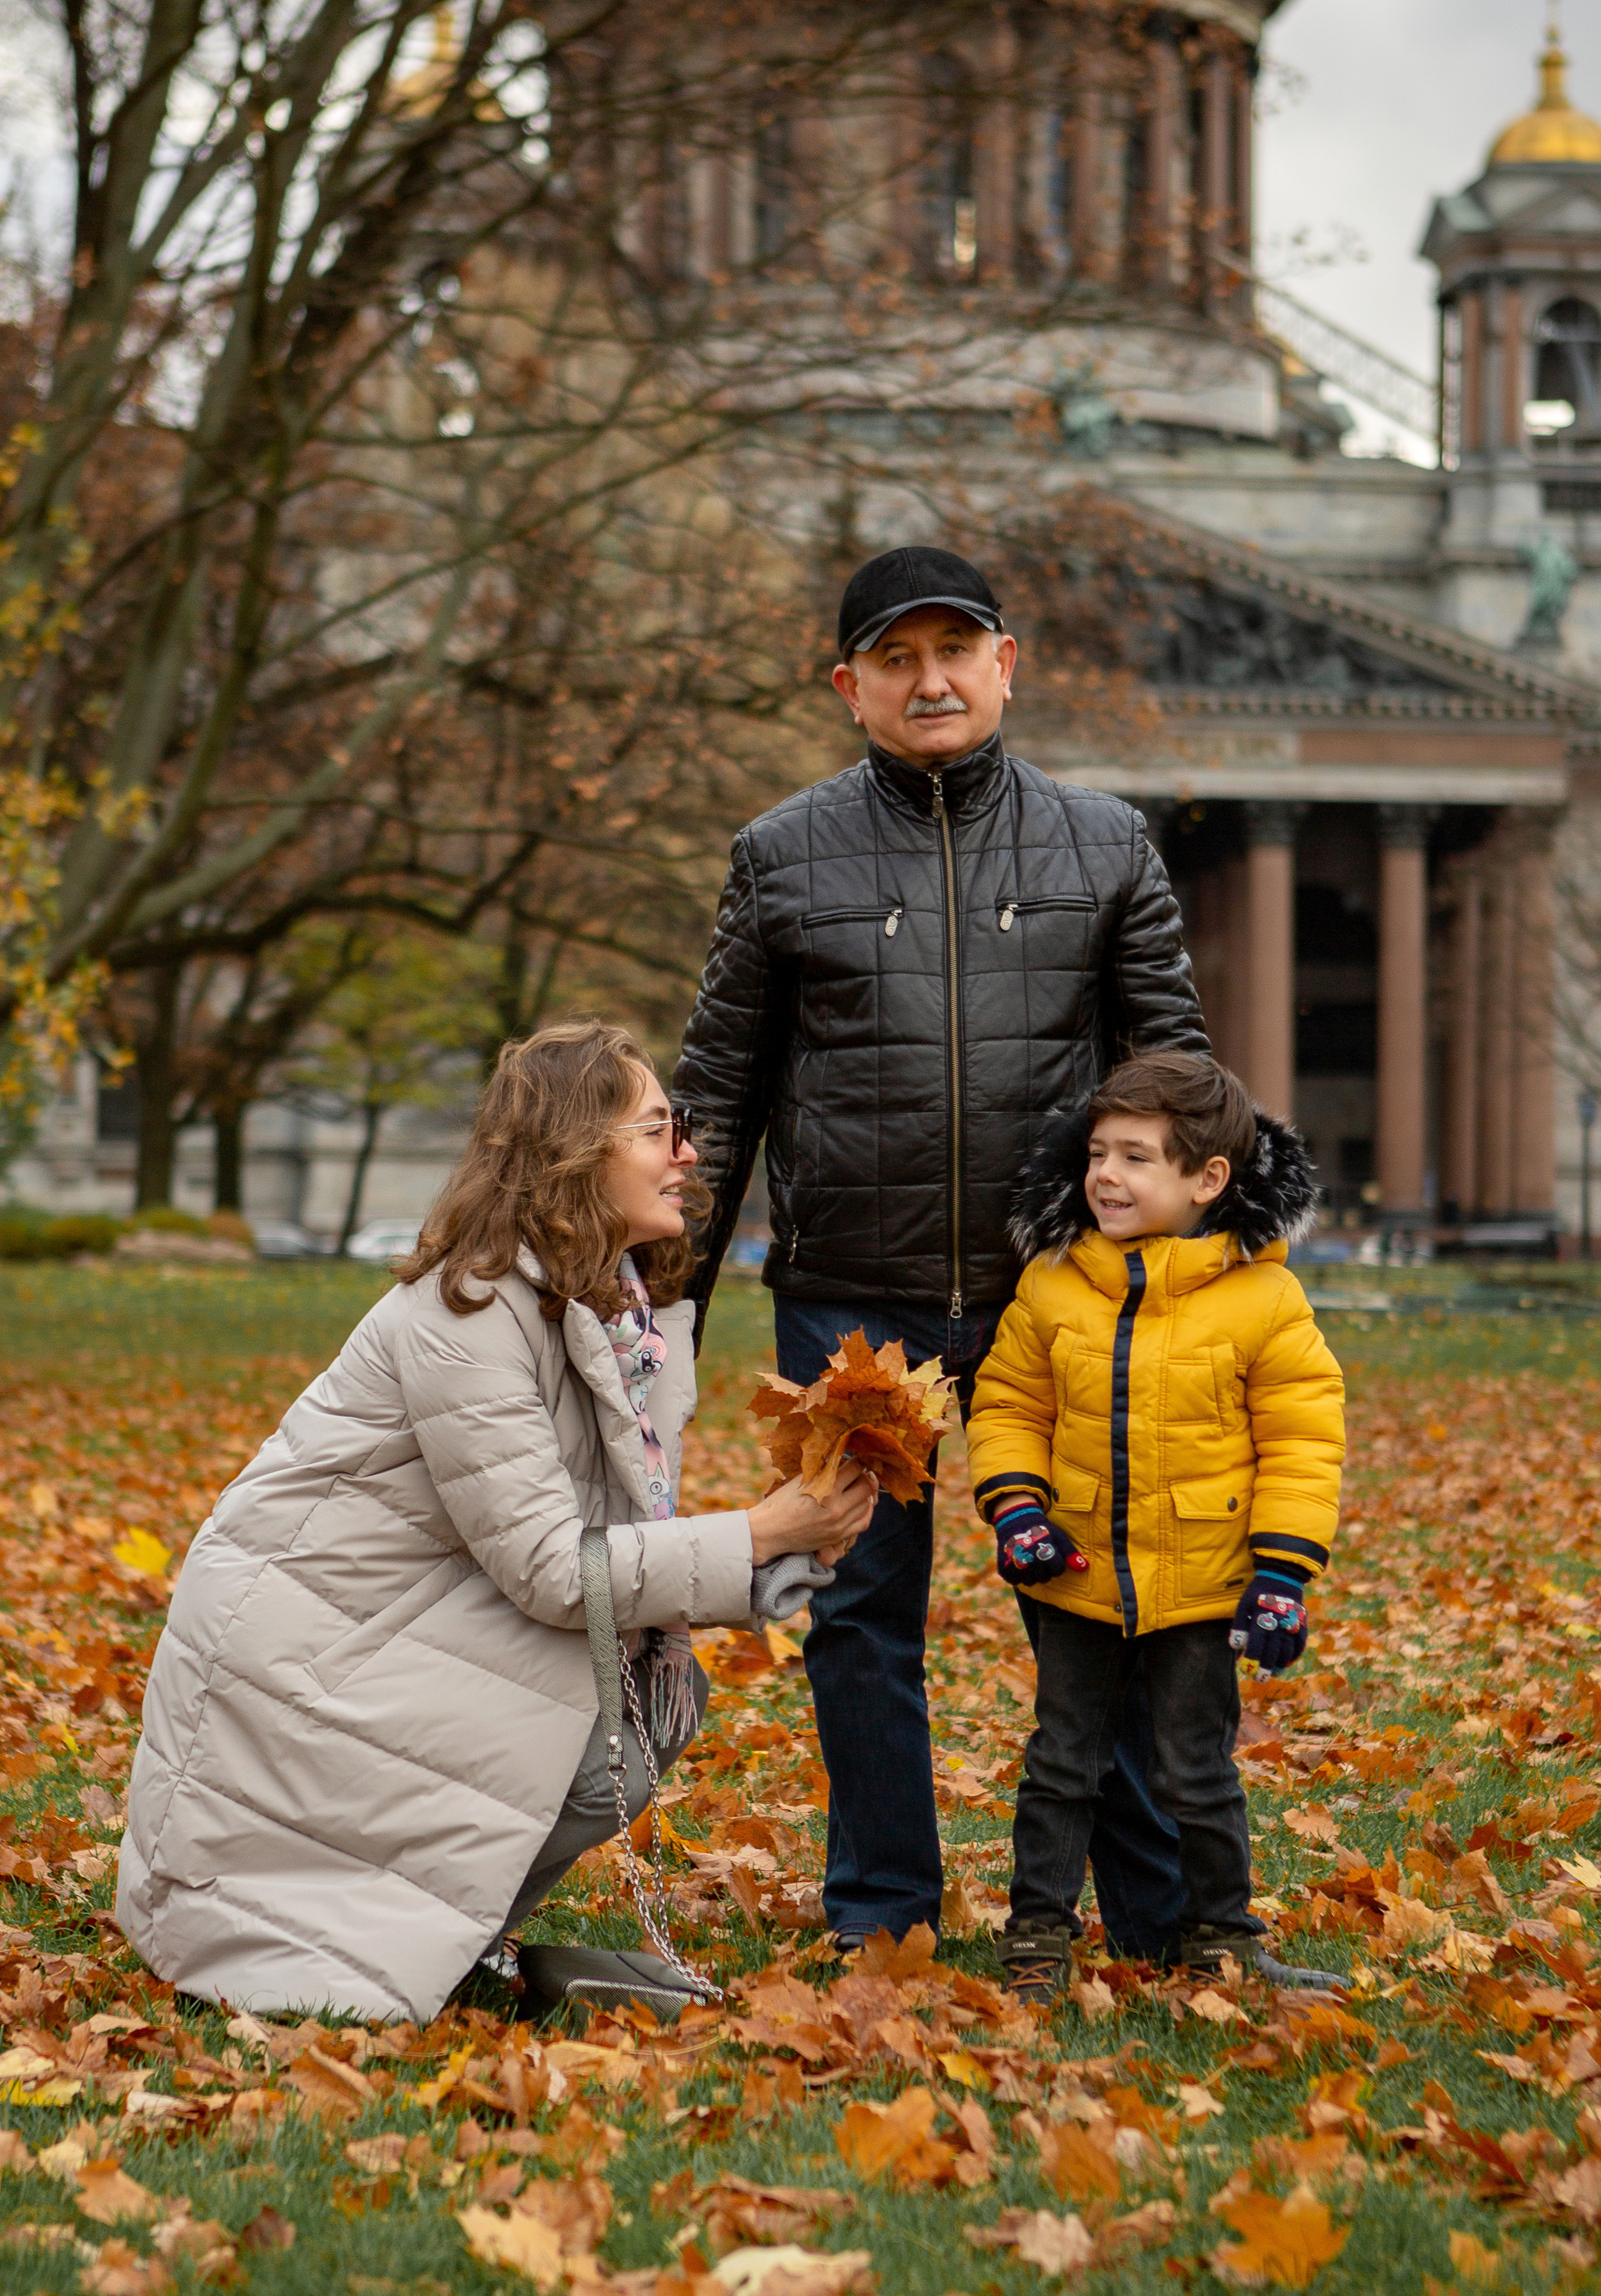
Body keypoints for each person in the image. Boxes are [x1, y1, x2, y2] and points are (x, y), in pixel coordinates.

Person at [116, 1020, 872, 2023]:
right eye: (657, 1130)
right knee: (617, 1698)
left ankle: (440, 1933)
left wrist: (787, 1552)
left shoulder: (619, 1311)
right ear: (574, 1151)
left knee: (657, 1696)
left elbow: (607, 1540)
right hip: (309, 1650)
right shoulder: (469, 1310)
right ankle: (359, 1932)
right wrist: (760, 1537)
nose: (688, 1152)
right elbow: (558, 1574)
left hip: (406, 1621)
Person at [675, 541, 1209, 1952]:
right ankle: (884, 1919)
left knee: (1104, 1605)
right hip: (853, 1302)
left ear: (1002, 666)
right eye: (895, 660)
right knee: (858, 1619)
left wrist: (1210, 1252)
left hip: (1060, 1297)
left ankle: (1157, 1919)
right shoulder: (780, 855)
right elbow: (717, 1094)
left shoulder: (1106, 845)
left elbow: (1170, 1075)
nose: (930, 680)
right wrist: (657, 1302)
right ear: (848, 686)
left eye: (953, 652)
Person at [966, 1051, 1347, 2000]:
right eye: (1099, 1153)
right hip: (1078, 1573)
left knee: (1196, 1770)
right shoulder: (1056, 1284)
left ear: (1205, 1179)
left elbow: (1303, 1439)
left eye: (1137, 1157)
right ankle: (1038, 1940)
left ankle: (1223, 1936)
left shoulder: (1263, 1299)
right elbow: (1009, 1405)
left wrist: (1283, 1575)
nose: (1106, 1175)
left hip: (1205, 1582)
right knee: (1061, 1767)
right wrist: (1019, 1511)